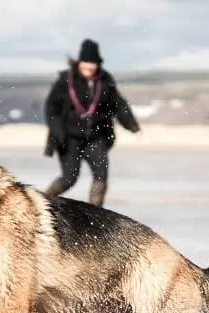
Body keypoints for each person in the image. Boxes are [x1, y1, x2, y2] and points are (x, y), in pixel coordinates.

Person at [43, 39, 141, 207]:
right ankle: (43, 202)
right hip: (69, 138)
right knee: (69, 179)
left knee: (101, 175)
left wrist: (133, 127)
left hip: (96, 136)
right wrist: (58, 132)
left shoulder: (105, 80)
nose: (89, 66)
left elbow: (118, 104)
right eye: (86, 62)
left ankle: (95, 216)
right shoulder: (66, 80)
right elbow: (51, 108)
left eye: (93, 63)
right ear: (79, 61)